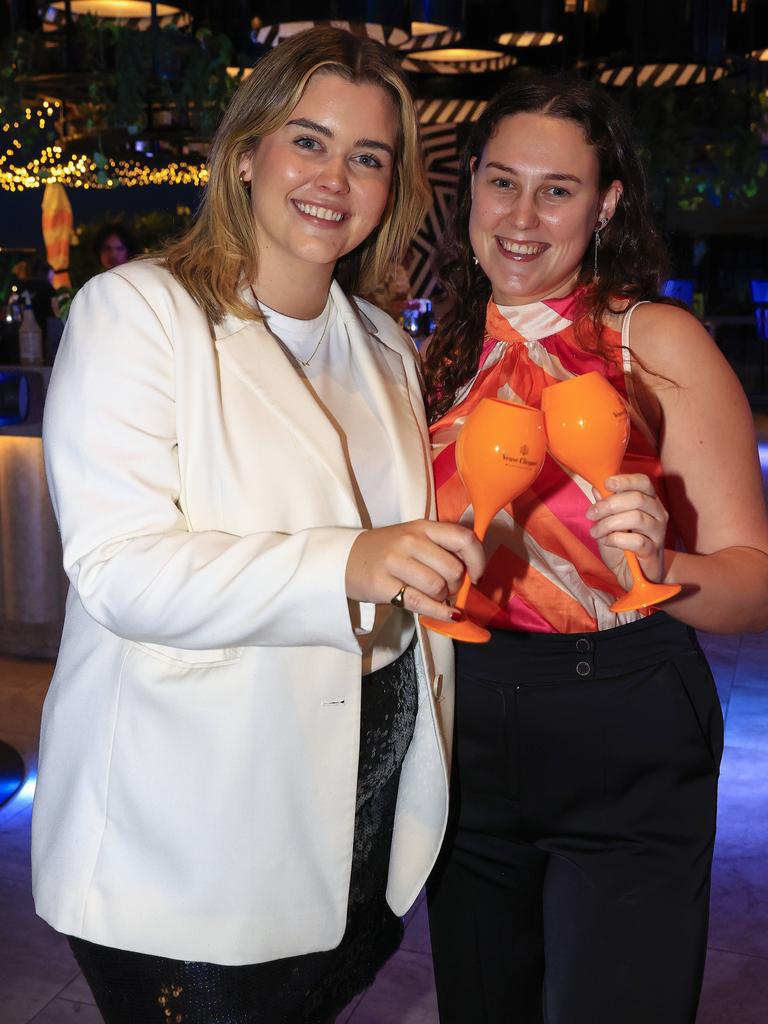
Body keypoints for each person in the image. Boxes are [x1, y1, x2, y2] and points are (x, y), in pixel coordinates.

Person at [32, 27, 484, 1024]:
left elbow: (390, 546)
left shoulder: (383, 346)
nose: (336, 177)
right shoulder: (138, 313)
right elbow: (122, 569)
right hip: (185, 829)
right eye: (308, 140)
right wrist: (353, 564)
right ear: (246, 154)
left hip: (355, 810)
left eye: (368, 156)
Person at [423, 73, 768, 1024]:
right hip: (468, 719)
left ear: (606, 202)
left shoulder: (652, 343)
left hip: (626, 714)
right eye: (501, 182)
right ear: (472, 189)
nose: (522, 215)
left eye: (558, 188)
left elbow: (752, 584)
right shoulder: (438, 354)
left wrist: (667, 570)